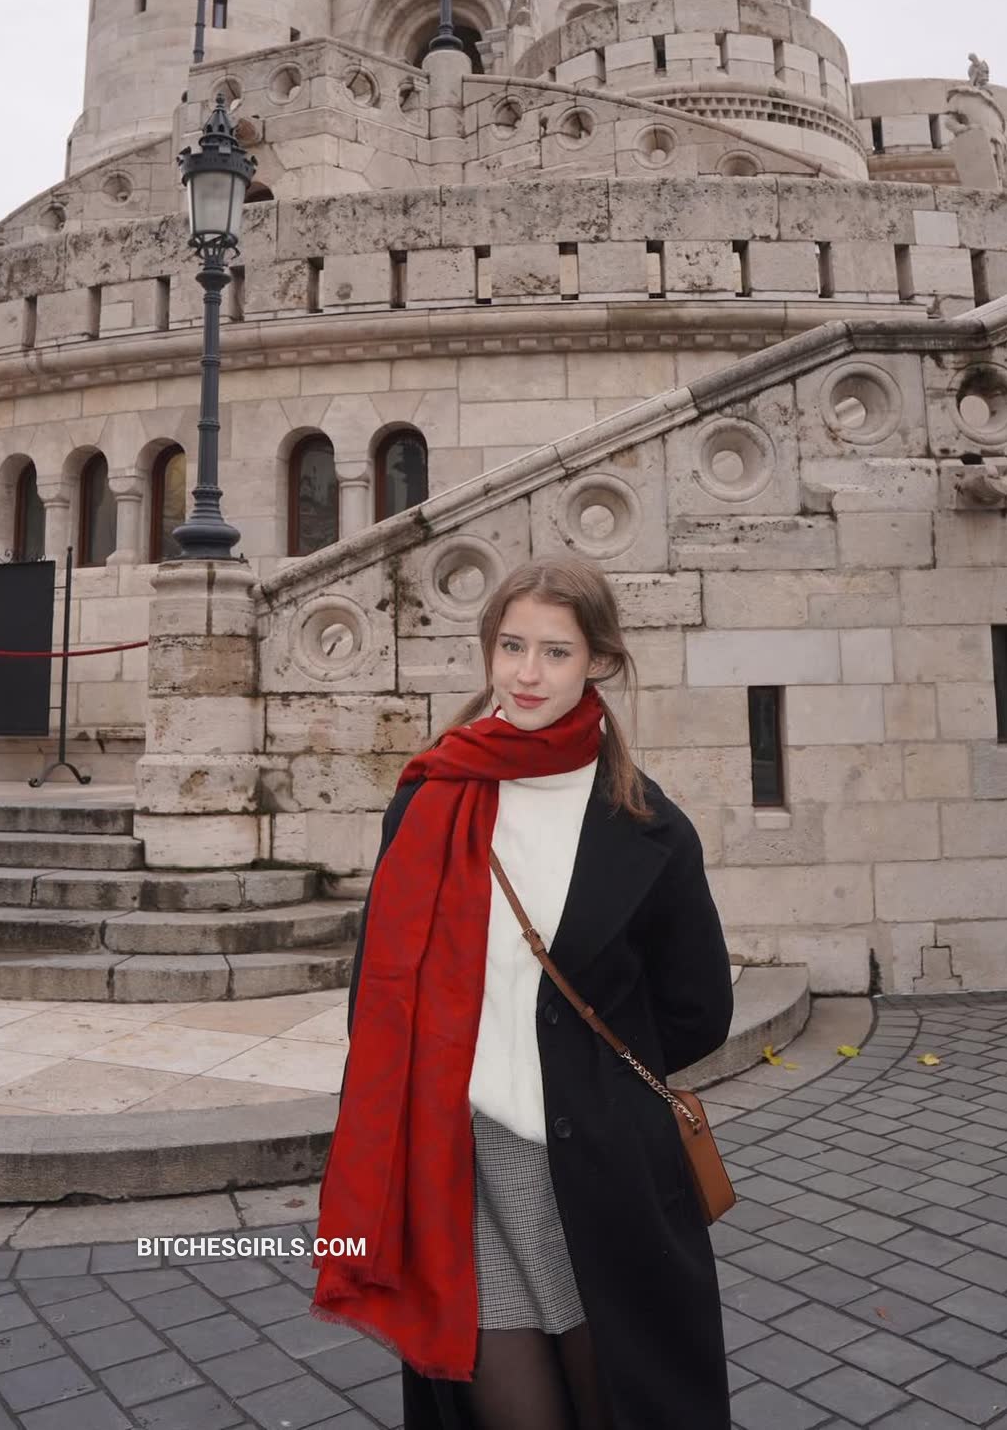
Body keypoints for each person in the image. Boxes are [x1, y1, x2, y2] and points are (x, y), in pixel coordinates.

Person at [311, 557, 734, 1429]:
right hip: (454, 1161)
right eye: (510, 646)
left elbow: (697, 1009)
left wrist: (587, 1081)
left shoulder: (650, 827)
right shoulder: (428, 797)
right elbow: (376, 991)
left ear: (598, 661)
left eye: (554, 651)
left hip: (596, 1173)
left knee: (616, 1401)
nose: (527, 673)